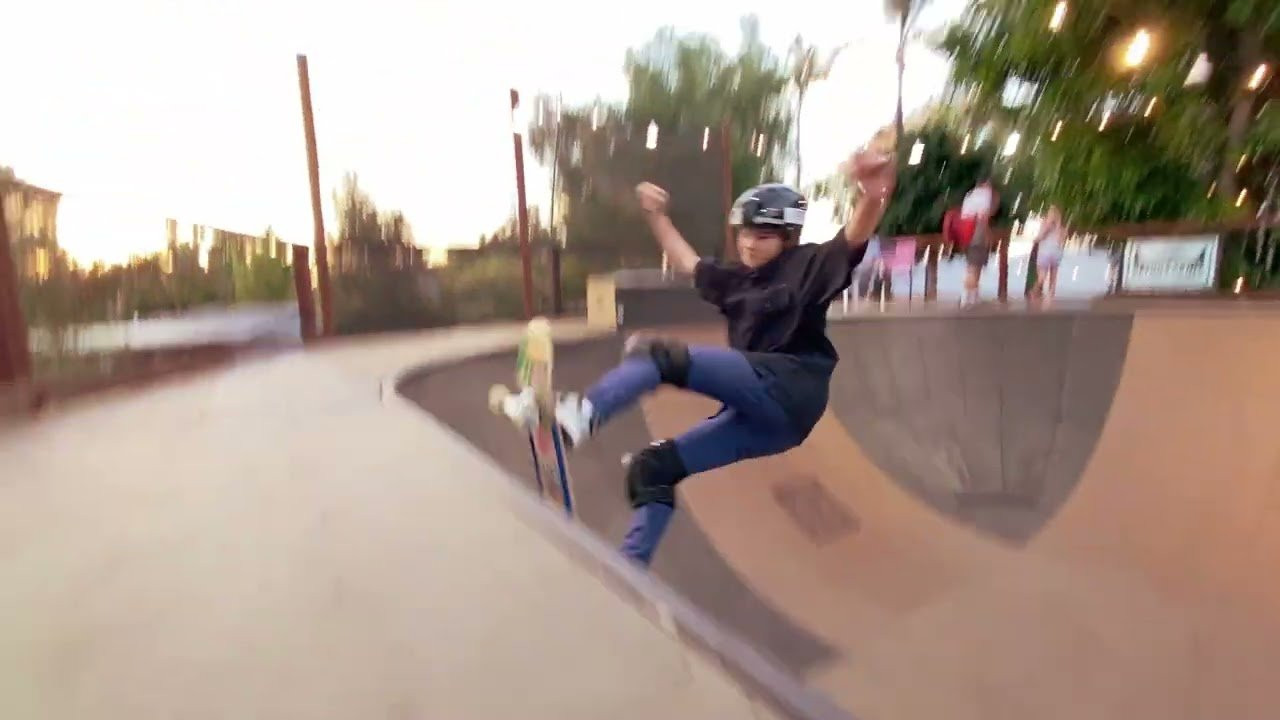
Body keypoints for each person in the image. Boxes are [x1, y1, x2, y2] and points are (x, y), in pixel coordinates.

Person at [508, 149, 896, 566]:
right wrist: (657, 217)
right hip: (768, 423)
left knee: (654, 354)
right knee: (654, 468)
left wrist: (872, 195)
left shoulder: (809, 264)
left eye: (762, 236)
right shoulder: (733, 281)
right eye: (743, 233)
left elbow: (854, 236)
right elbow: (687, 262)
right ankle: (628, 576)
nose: (748, 242)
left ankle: (582, 415)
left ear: (786, 238)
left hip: (792, 385)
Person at [959, 178, 998, 306]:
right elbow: (984, 217)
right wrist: (987, 236)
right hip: (977, 232)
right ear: (986, 183)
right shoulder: (985, 194)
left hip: (966, 233)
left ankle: (972, 296)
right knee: (975, 266)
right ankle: (967, 297)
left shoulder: (970, 195)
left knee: (972, 265)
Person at [1032, 205, 1065, 303]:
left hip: (1050, 254)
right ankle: (1041, 295)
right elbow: (1038, 239)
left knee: (1047, 277)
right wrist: (1052, 228)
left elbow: (1059, 240)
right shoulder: (1051, 226)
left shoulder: (1055, 227)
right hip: (1050, 254)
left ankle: (1042, 296)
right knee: (1047, 278)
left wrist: (1056, 227)